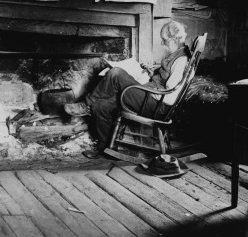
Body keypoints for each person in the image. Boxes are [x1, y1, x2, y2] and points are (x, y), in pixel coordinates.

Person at [64, 21, 190, 159]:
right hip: (150, 97)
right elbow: (165, 79)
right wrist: (151, 74)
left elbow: (170, 97)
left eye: (164, 40)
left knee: (116, 73)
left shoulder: (181, 60)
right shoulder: (176, 54)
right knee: (100, 106)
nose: (162, 43)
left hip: (156, 106)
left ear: (174, 39)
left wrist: (144, 87)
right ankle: (105, 147)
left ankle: (86, 104)